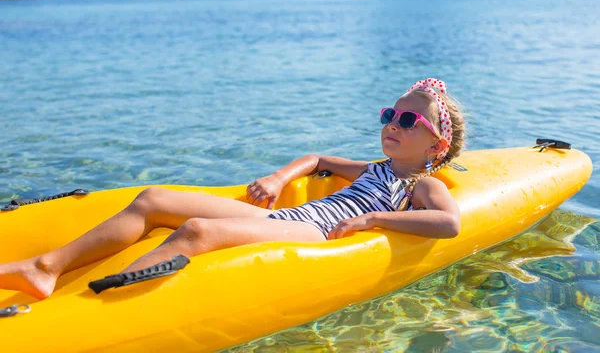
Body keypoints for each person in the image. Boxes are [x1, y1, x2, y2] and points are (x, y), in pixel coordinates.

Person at [0, 78, 465, 300]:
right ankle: (46, 267)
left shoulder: (420, 185)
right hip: (289, 219)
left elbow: (448, 223)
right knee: (153, 200)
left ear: (436, 145)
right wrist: (281, 177)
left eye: (408, 120)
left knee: (200, 230)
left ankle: (90, 305)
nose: (393, 124)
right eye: (390, 115)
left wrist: (374, 218)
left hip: (320, 235)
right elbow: (319, 159)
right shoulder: (371, 167)